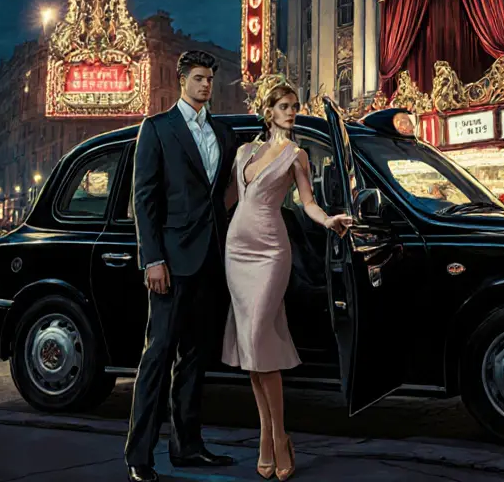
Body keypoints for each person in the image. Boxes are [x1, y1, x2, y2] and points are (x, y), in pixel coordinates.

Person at [223, 78, 352, 480]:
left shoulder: (297, 155)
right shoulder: (244, 151)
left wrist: (328, 220)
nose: (292, 112)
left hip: (270, 251)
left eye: (295, 106)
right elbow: (227, 200)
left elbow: (308, 202)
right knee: (252, 348)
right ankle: (268, 436)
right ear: (269, 112)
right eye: (285, 106)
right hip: (236, 250)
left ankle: (278, 435)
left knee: (258, 335)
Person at [124, 51, 237, 482]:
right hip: (170, 261)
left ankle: (187, 447)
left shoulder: (222, 133)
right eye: (198, 78)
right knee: (157, 357)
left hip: (210, 260)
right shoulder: (157, 128)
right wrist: (152, 258)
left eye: (210, 79)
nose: (205, 85)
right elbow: (144, 199)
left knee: (194, 359)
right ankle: (139, 456)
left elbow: (224, 193)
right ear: (182, 81)